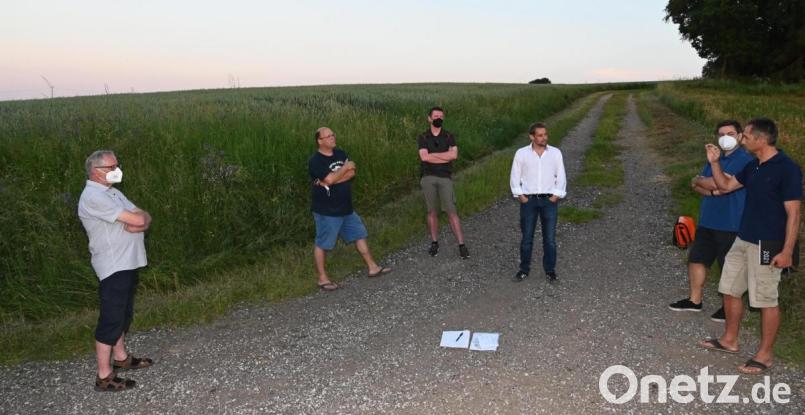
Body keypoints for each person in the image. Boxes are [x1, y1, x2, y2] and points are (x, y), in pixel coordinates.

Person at [698, 118, 802, 375]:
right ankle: (729, 340)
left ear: (761, 139)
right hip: (743, 238)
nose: (741, 140)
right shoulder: (754, 165)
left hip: (768, 243)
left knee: (765, 299)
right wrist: (714, 162)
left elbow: (795, 214)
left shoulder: (786, 169)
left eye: (745, 136)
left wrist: (787, 251)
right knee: (730, 289)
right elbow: (725, 186)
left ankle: (765, 355)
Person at [78, 150, 153, 392]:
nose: (116, 170)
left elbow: (144, 217)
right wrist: (137, 222)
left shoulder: (112, 192)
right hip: (113, 265)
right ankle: (104, 375)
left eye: (116, 165)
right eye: (110, 167)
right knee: (112, 318)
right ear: (94, 171)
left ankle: (120, 358)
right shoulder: (93, 196)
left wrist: (139, 221)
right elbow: (139, 221)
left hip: (127, 261)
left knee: (123, 314)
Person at [669, 120, 753, 322]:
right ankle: (694, 300)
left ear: (741, 136)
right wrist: (713, 188)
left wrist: (708, 183)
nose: (726, 137)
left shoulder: (745, 160)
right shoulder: (714, 158)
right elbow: (696, 184)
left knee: (729, 266)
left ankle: (729, 308)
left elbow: (722, 184)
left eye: (731, 133)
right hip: (708, 220)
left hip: (733, 222)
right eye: (721, 133)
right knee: (696, 259)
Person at [309, 127, 391, 291]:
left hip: (346, 208)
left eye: (333, 134)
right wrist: (341, 171)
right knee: (323, 243)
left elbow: (351, 173)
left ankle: (372, 267)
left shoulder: (340, 153)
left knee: (360, 234)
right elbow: (338, 174)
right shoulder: (316, 161)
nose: (333, 137)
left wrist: (330, 180)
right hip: (327, 211)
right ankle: (322, 278)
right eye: (328, 136)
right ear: (320, 141)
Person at [510, 122, 566, 283]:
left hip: (549, 201)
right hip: (529, 201)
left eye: (545, 134)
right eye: (540, 135)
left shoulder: (555, 153)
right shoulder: (521, 154)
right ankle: (523, 269)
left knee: (550, 239)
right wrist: (521, 196)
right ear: (532, 137)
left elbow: (561, 176)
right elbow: (515, 176)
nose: (544, 138)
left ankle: (550, 271)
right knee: (527, 238)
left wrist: (556, 196)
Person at [417, 106, 469, 259]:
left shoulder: (449, 136)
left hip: (445, 177)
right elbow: (424, 158)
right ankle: (434, 242)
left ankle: (461, 244)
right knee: (432, 212)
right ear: (429, 118)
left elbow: (454, 155)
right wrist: (445, 155)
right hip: (428, 178)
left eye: (441, 116)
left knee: (452, 212)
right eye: (435, 116)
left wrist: (435, 155)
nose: (438, 118)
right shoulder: (423, 137)